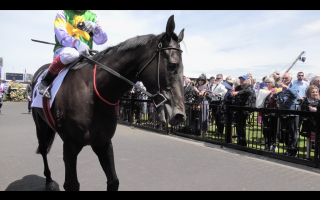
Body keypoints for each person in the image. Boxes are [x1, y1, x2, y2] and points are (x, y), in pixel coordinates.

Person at [38, 10, 108, 98]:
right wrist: (76, 43)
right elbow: (61, 36)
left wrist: (95, 28)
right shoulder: (62, 13)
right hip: (64, 51)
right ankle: (45, 81)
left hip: (86, 54)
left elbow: (102, 40)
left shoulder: (93, 17)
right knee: (72, 54)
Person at [274, 72, 300, 157]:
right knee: (285, 133)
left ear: (290, 79)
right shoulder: (280, 88)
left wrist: (286, 87)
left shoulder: (294, 86)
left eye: (286, 78)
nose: (284, 80)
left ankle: (293, 151)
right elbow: (278, 98)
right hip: (283, 112)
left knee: (293, 133)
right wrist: (275, 94)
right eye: (283, 78)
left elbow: (295, 95)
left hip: (292, 113)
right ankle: (288, 149)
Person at [230, 75, 254, 146]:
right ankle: (239, 140)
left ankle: (243, 141)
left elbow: (249, 91)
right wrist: (232, 94)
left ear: (246, 81)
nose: (241, 81)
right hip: (238, 107)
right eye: (240, 80)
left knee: (242, 126)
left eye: (243, 80)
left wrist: (238, 92)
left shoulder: (248, 86)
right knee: (237, 125)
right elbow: (234, 92)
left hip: (244, 108)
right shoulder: (237, 87)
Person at [259, 77, 278, 152]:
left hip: (273, 112)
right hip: (265, 111)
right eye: (266, 82)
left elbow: (274, 99)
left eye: (268, 82)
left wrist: (268, 92)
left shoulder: (274, 90)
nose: (267, 84)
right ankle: (267, 143)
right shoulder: (263, 90)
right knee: (266, 128)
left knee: (273, 129)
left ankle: (274, 144)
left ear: (272, 84)